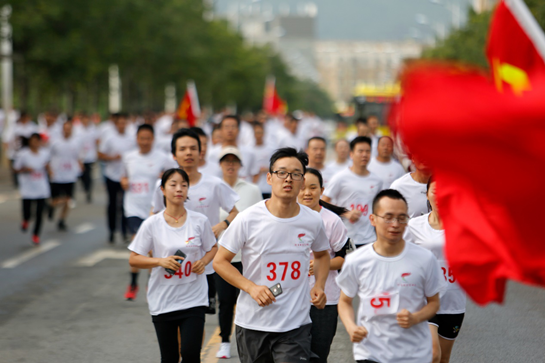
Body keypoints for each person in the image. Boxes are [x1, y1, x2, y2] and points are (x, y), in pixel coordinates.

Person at [213, 147, 331, 363]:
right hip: (252, 323)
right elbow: (220, 261)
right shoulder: (248, 218)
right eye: (281, 173)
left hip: (295, 325)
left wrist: (319, 285)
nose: (288, 179)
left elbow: (323, 255)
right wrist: (251, 287)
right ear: (269, 177)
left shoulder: (312, 220)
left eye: (296, 174)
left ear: (302, 181)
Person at [336, 189, 443, 363]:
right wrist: (351, 327)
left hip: (413, 353)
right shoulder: (357, 260)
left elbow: (434, 303)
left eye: (401, 218)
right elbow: (345, 301)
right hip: (371, 352)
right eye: (388, 217)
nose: (395, 224)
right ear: (373, 219)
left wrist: (415, 317)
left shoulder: (425, 259)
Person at [128, 168, 218, 363]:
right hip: (163, 299)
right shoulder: (152, 224)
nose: (179, 189)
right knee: (169, 357)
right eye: (173, 184)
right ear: (162, 189)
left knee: (190, 353)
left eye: (184, 185)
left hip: (193, 298)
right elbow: (134, 258)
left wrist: (203, 262)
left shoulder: (200, 221)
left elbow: (213, 248)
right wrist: (160, 261)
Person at [151, 129, 239, 314]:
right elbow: (155, 215)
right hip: (173, 261)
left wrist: (222, 225)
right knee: (171, 315)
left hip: (203, 265)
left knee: (197, 316)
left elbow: (234, 211)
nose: (188, 153)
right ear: (174, 154)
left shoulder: (214, 184)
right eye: (183, 149)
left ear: (201, 152)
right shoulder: (162, 185)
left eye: (193, 148)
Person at [404, 179, 466, 363]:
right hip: (425, 299)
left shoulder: (462, 225)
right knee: (433, 354)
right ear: (428, 193)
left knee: (444, 358)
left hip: (454, 300)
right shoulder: (414, 226)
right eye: (435, 191)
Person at [215, 146, 263, 359]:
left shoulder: (252, 190)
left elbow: (262, 220)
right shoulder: (214, 188)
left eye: (234, 161)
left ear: (241, 165)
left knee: (250, 299)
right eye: (226, 161)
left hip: (248, 257)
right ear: (220, 164)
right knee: (225, 301)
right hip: (223, 257)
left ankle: (255, 340)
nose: (230, 165)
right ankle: (225, 340)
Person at [298, 168, 349, 363]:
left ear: (322, 189)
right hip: (292, 299)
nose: (307, 193)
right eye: (302, 188)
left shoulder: (332, 221)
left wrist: (321, 264)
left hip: (324, 301)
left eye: (313, 187)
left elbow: (345, 259)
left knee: (318, 356)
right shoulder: (286, 218)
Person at [121, 124, 173, 300]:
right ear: (136, 139)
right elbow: (123, 176)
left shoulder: (162, 158)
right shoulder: (128, 157)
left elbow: (172, 176)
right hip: (133, 207)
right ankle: (133, 283)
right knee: (137, 246)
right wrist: (124, 181)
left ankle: (150, 282)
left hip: (155, 209)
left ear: (153, 139)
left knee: (152, 249)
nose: (144, 142)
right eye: (141, 138)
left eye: (148, 138)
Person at [322, 136, 383, 248]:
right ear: (351, 154)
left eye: (368, 151)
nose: (364, 154)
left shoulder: (377, 180)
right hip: (346, 237)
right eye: (360, 151)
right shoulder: (340, 177)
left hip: (369, 238)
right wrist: (346, 213)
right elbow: (323, 203)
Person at [98, 113, 136, 243]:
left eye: (124, 123)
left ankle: (125, 231)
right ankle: (112, 231)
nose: (122, 125)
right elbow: (100, 154)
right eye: (120, 123)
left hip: (126, 176)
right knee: (112, 204)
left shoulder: (131, 138)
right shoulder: (109, 138)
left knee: (125, 204)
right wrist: (112, 158)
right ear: (116, 124)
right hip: (111, 175)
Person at [14, 133, 50, 245]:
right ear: (29, 142)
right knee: (27, 213)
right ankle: (25, 220)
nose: (35, 143)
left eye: (37, 141)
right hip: (28, 188)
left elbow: (48, 167)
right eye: (32, 141)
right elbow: (15, 169)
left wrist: (49, 170)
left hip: (41, 188)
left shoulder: (44, 154)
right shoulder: (23, 154)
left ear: (40, 142)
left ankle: (36, 234)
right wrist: (25, 169)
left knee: (40, 213)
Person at [47, 121, 83, 231]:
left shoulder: (76, 143)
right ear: (62, 130)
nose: (67, 131)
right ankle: (51, 206)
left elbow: (78, 157)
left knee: (68, 200)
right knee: (57, 199)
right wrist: (50, 170)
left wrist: (80, 167)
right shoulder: (55, 142)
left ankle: (61, 220)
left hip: (70, 176)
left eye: (69, 128)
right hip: (57, 175)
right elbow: (47, 157)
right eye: (65, 128)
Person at [207, 115, 259, 181]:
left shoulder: (249, 153)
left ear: (239, 130)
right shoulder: (212, 153)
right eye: (226, 127)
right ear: (220, 130)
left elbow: (255, 173)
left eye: (233, 126)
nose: (230, 130)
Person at [4, 111, 38, 187]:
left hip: (28, 153)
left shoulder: (32, 126)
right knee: (16, 169)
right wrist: (8, 151)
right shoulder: (14, 127)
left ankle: (28, 183)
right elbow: (6, 139)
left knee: (28, 168)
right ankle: (17, 184)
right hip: (15, 153)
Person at [74, 113, 99, 203]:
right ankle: (84, 187)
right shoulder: (77, 129)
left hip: (90, 156)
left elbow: (97, 140)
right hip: (80, 156)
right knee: (80, 174)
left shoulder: (93, 129)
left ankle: (88, 191)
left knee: (88, 174)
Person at [251, 122, 274, 199]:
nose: (258, 135)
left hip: (267, 187)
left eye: (260, 133)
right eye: (257, 133)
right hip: (254, 185)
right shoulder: (250, 150)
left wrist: (265, 169)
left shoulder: (270, 150)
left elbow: (275, 167)